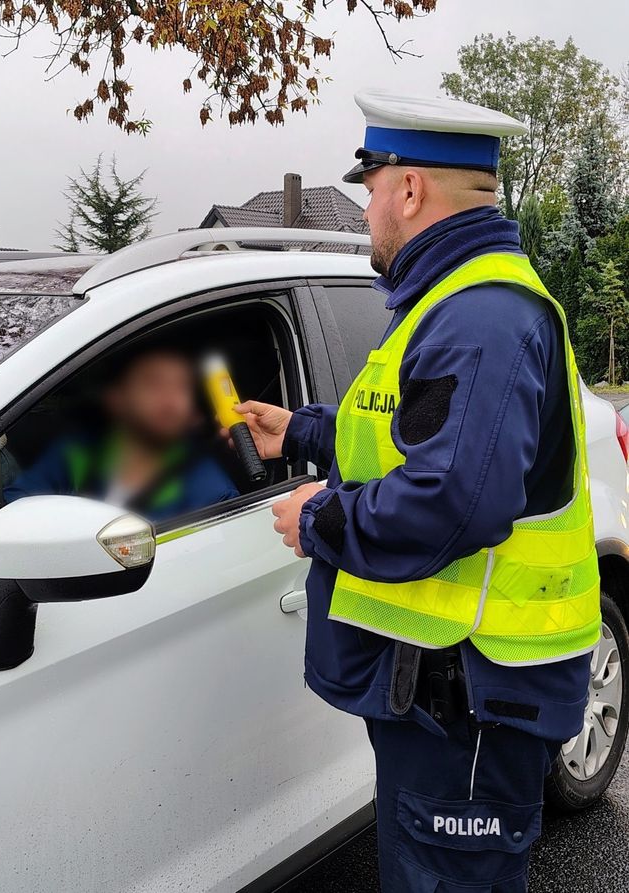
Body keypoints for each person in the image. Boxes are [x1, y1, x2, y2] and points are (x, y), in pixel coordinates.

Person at [232, 90, 599, 892]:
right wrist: (300, 431)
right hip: (452, 696)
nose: (367, 210)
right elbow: (409, 432)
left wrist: (319, 516)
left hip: (469, 699)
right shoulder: (457, 301)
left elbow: (453, 498)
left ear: (408, 189)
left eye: (370, 189)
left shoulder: (479, 316)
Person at [5, 345, 239, 520]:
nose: (171, 402)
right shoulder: (79, 451)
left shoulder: (211, 490)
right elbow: (17, 505)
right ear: (117, 399)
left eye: (181, 388)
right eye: (153, 385)